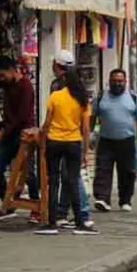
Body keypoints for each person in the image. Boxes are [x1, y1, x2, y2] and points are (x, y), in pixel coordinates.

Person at [37, 63, 96, 235]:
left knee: (53, 181)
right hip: (73, 142)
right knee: (72, 181)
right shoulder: (83, 100)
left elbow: (47, 123)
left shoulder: (55, 96)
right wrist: (86, 151)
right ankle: (79, 221)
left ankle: (52, 222)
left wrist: (42, 139)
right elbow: (85, 128)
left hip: (54, 141)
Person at [0, 58, 39, 220]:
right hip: (10, 134)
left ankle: (36, 207)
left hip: (24, 134)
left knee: (29, 172)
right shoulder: (7, 85)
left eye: (3, 75)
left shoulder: (25, 87)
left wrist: (2, 133)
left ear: (12, 70)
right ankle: (8, 203)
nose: (1, 79)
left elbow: (22, 116)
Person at [91, 69, 137, 213]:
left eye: (120, 81)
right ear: (109, 81)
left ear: (125, 82)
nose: (117, 84)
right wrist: (92, 133)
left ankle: (125, 200)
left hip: (127, 140)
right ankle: (103, 198)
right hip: (106, 140)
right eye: (114, 81)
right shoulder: (102, 96)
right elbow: (94, 117)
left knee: (127, 172)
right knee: (103, 169)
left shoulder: (133, 97)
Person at [51, 50, 92, 228]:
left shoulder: (57, 87)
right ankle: (63, 212)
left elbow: (50, 115)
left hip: (58, 138)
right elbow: (86, 124)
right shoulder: (80, 88)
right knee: (70, 176)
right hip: (74, 139)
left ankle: (80, 213)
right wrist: (86, 146)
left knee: (69, 178)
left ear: (56, 65)